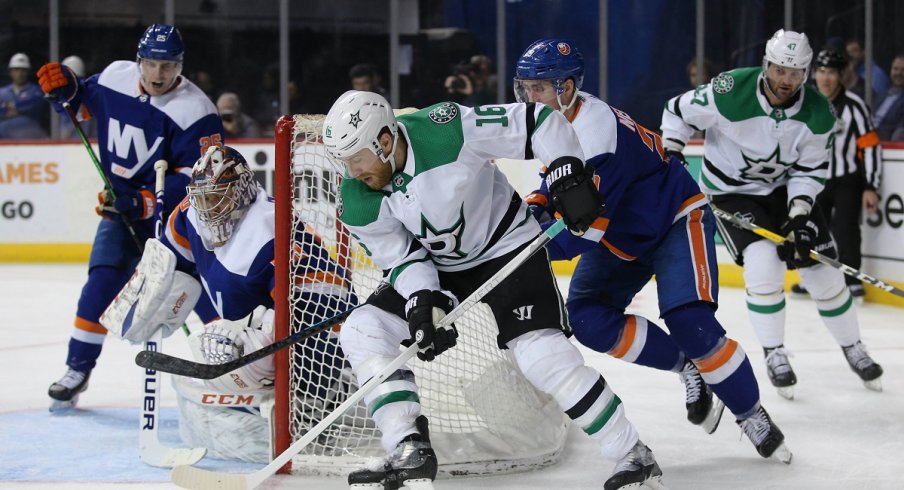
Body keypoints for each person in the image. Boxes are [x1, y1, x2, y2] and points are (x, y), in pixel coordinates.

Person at [323, 90, 664, 490]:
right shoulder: (357, 198)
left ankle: (632, 454)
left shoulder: (446, 130)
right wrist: (422, 301)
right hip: (439, 268)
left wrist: (567, 171)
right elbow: (400, 258)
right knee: (362, 328)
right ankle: (407, 446)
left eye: (356, 157)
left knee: (542, 356)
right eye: (343, 161)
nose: (350, 170)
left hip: (508, 249)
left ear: (384, 141)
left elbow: (538, 121)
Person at [515, 38, 790, 462]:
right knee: (588, 318)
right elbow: (558, 179)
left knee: (691, 322)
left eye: (538, 89)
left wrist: (526, 250)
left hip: (673, 219)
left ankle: (750, 412)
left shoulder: (597, 136)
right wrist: (538, 200)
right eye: (524, 89)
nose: (529, 98)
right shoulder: (557, 119)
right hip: (622, 232)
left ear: (566, 88)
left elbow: (583, 233)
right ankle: (688, 367)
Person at [661, 29, 884, 401]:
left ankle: (853, 346)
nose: (786, 80)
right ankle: (774, 352)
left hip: (783, 193)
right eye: (780, 70)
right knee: (764, 264)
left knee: (824, 269)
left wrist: (799, 216)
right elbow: (676, 111)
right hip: (732, 193)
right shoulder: (730, 90)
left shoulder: (819, 114)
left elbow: (810, 172)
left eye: (795, 73)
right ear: (766, 66)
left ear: (806, 74)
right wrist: (673, 150)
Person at [38, 23, 225, 411]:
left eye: (168, 66)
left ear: (181, 65)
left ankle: (234, 368)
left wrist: (144, 202)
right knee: (101, 285)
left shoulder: (198, 111)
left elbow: (200, 178)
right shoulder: (114, 77)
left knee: (195, 294)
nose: (159, 75)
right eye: (152, 64)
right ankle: (77, 370)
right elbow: (82, 103)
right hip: (119, 211)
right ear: (139, 61)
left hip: (176, 219)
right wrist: (66, 87)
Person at [159, 146, 353, 462]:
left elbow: (329, 302)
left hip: (317, 335)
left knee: (277, 338)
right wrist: (158, 286)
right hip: (252, 327)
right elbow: (171, 252)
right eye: (203, 198)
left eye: (217, 197)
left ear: (243, 189)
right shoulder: (189, 212)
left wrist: (261, 344)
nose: (208, 207)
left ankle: (321, 399)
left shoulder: (271, 230)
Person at [790, 49, 882, 302]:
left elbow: (870, 146)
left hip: (846, 180)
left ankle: (852, 280)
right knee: (809, 228)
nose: (825, 78)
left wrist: (871, 185)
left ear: (840, 76)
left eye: (831, 72)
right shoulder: (802, 103)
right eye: (821, 71)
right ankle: (810, 278)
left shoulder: (855, 106)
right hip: (811, 179)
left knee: (845, 229)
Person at [0, 53, 48, 138]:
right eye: (16, 69)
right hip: (5, 139)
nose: (20, 73)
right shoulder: (2, 93)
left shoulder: (37, 91)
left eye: (23, 70)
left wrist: (15, 107)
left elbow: (35, 104)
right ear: (10, 72)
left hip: (30, 137)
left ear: (28, 71)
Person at [872, 54, 904, 141]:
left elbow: (899, 130)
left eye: (903, 70)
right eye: (895, 69)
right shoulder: (882, 94)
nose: (898, 73)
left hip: (884, 142)